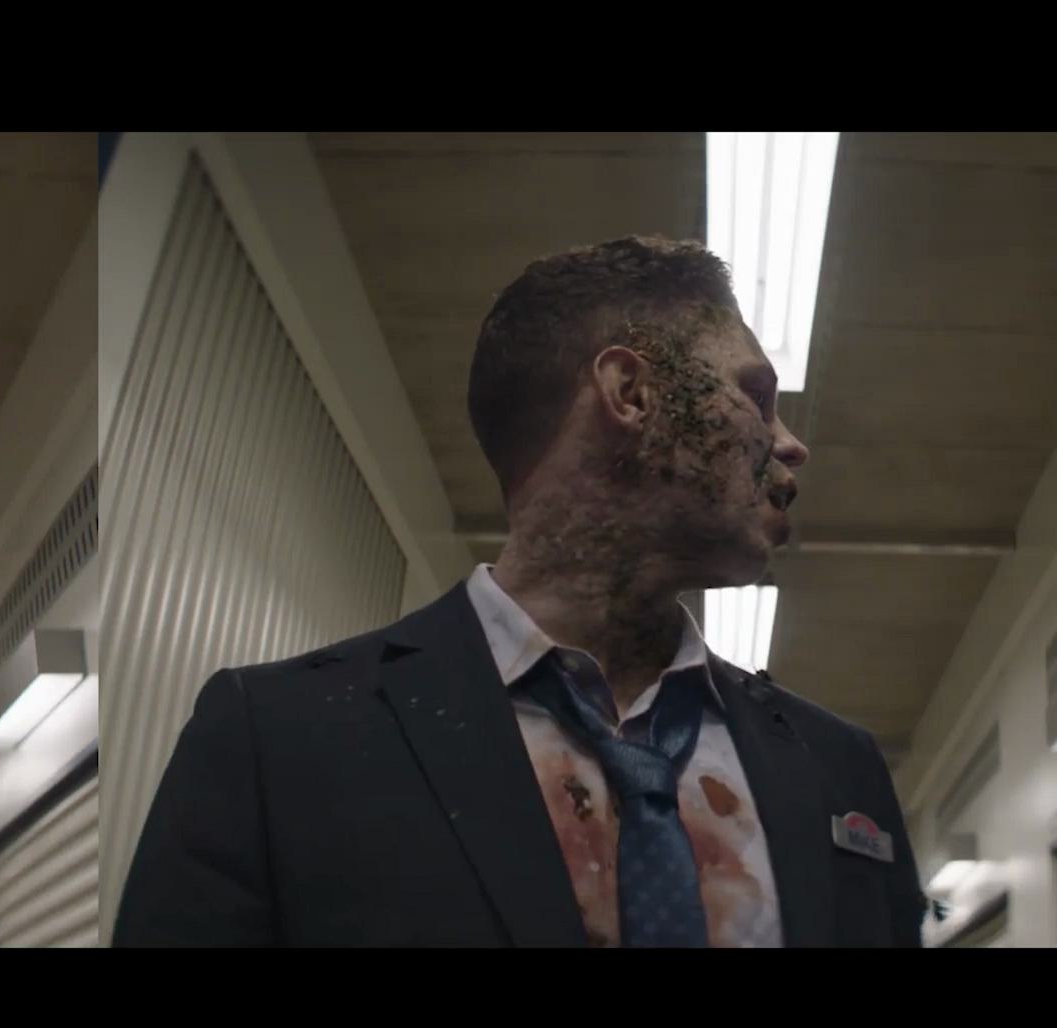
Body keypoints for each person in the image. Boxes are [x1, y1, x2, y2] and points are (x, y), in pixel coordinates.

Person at [114, 235, 926, 947]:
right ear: (631, 393)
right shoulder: (277, 742)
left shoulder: (835, 767)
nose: (791, 444)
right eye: (755, 395)